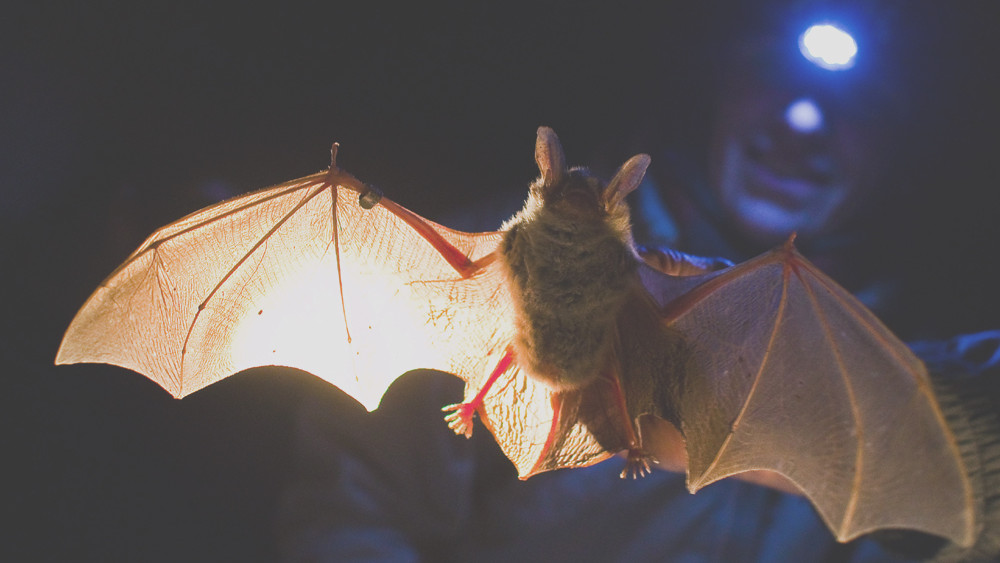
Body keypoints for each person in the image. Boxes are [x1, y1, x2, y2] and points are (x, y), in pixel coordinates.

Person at [277, 3, 1000, 561]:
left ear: (892, 149)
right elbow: (352, 504)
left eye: (855, 110)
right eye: (773, 83)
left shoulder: (882, 343)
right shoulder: (531, 262)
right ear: (720, 95)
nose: (802, 122)